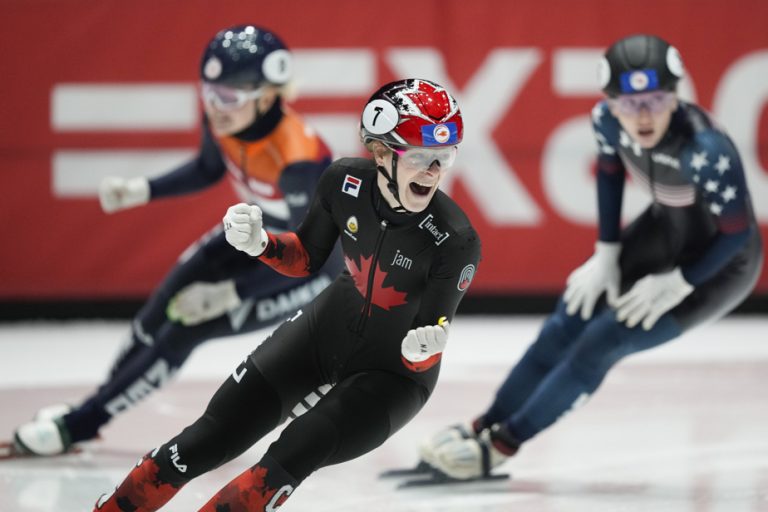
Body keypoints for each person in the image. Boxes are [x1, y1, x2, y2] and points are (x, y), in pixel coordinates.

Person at [91, 78, 481, 511]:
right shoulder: (342, 181)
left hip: (392, 378)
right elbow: (307, 259)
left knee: (292, 452)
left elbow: (427, 339)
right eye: (423, 158)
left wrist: (425, 349)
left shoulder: (455, 238)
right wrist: (262, 243)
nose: (434, 173)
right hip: (322, 332)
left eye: (444, 159)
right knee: (209, 437)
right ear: (382, 152)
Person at [416, 34, 763, 481]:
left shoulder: (705, 150)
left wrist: (681, 281)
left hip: (720, 267)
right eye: (628, 102)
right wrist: (607, 252)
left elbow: (738, 234)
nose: (642, 116)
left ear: (675, 98)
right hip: (664, 229)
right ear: (609, 102)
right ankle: (482, 425)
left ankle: (502, 445)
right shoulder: (607, 121)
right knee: (565, 323)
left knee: (602, 341)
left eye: (655, 101)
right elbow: (610, 174)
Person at [11, 24, 343, 457]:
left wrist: (232, 292)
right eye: (208, 91)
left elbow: (308, 255)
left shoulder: (297, 158)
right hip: (251, 233)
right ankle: (90, 407)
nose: (215, 106)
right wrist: (141, 190)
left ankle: (81, 423)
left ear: (267, 95)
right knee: (157, 312)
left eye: (227, 96)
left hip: (304, 268)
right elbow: (208, 167)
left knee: (185, 329)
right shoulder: (228, 117)